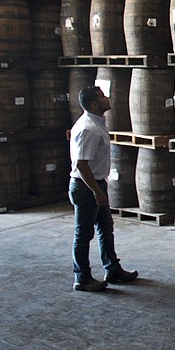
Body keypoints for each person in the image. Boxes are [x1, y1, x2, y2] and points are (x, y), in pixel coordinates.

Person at [68, 85, 138, 292]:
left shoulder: (96, 123)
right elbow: (81, 164)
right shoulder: (88, 128)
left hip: (96, 184)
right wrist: (97, 192)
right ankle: (82, 278)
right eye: (102, 96)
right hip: (86, 187)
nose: (108, 98)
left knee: (105, 229)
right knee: (83, 234)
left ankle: (113, 269)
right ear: (94, 104)